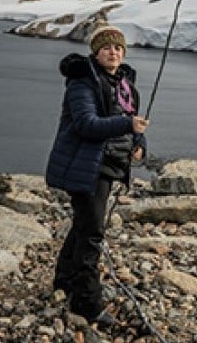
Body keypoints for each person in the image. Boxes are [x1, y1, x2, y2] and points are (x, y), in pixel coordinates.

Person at [44, 24, 150, 327]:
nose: (113, 52)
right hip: (86, 167)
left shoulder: (125, 84)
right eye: (106, 47)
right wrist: (128, 126)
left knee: (82, 227)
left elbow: (134, 124)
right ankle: (86, 305)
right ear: (96, 51)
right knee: (92, 234)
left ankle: (64, 282)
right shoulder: (82, 83)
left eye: (118, 47)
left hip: (107, 164)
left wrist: (139, 144)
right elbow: (86, 125)